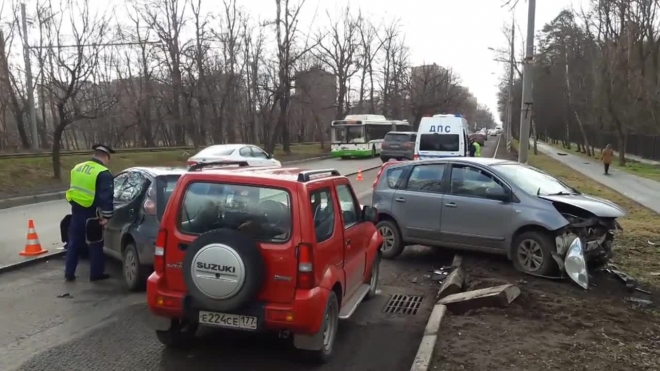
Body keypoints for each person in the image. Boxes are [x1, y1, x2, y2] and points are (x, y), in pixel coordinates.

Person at [64, 144, 115, 282]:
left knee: (74, 243)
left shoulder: (78, 167)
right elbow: (106, 197)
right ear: (105, 157)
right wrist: (106, 216)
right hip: (91, 213)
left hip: (76, 210)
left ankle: (69, 273)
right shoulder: (102, 172)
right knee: (96, 243)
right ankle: (96, 274)